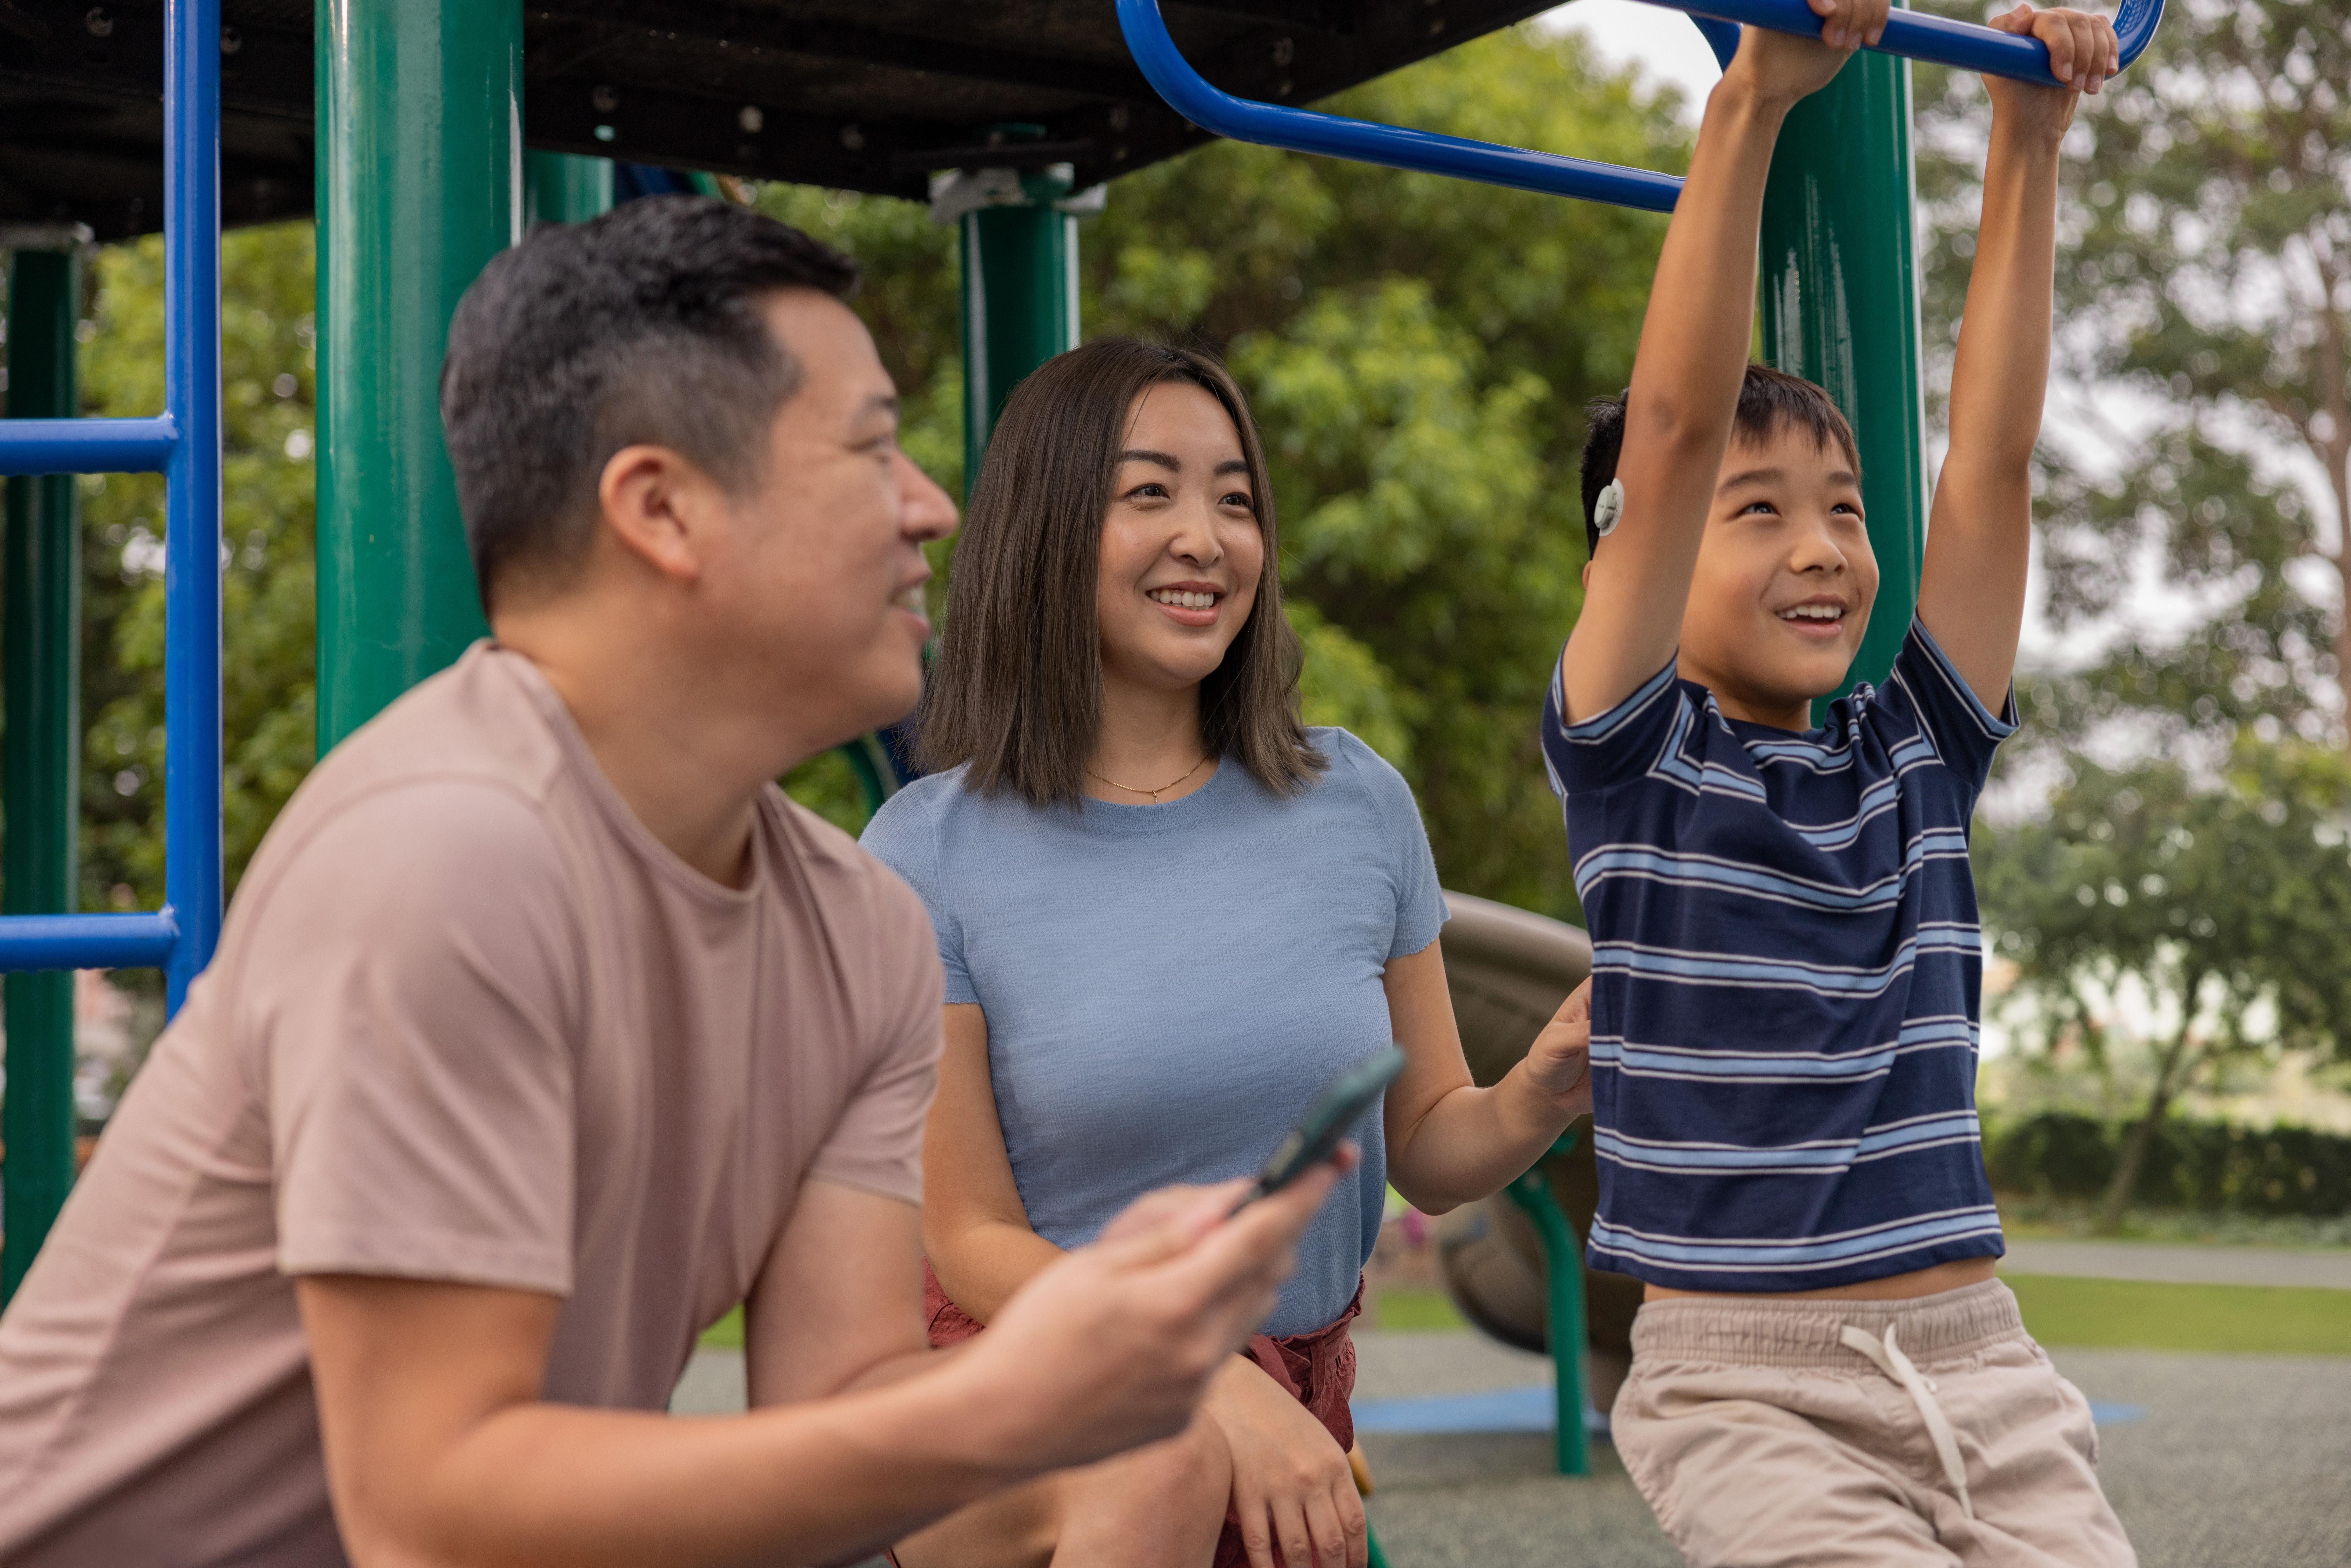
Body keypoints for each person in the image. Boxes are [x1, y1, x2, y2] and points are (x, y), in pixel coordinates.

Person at [0, 197, 1344, 1568]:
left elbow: (843, 1412)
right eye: (873, 448)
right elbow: (432, 1510)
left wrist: (1100, 1375)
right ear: (661, 507)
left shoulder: (861, 928)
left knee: (1150, 1441)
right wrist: (1003, 1400)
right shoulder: (444, 850)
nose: (932, 507)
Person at [1548, 3, 2136, 1564]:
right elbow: (1669, 432)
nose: (1823, 546)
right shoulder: (1640, 761)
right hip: (1752, 1389)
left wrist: (2032, 139)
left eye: (1844, 505)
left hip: (1980, 1365)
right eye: (1760, 511)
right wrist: (1756, 97)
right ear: (1643, 557)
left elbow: (1993, 465)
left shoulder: (1914, 753)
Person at [859, 337, 1596, 1568]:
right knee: (1167, 1458)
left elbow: (1427, 1147)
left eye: (1234, 498)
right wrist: (1198, 1379)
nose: (1205, 536)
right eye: (1148, 492)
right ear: (1047, 523)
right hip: (1039, 1403)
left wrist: (1538, 1090)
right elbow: (971, 1235)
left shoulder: (1355, 801)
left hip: (1292, 1416)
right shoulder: (925, 848)